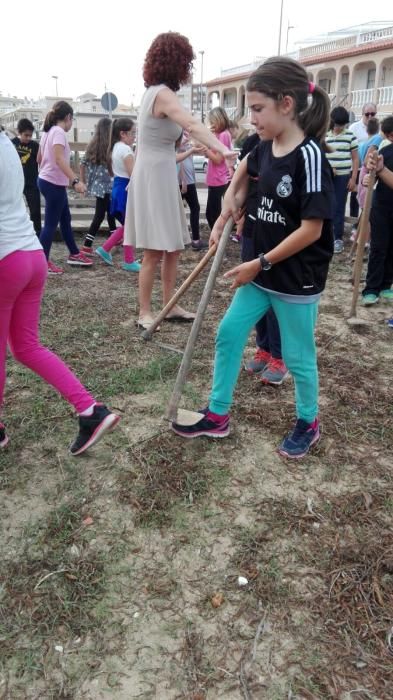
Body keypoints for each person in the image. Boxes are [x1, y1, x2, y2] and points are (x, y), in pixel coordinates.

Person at [171, 55, 334, 459]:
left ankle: (308, 422)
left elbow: (311, 229)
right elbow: (240, 180)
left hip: (295, 277)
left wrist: (259, 263)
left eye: (258, 108)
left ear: (287, 104)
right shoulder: (263, 147)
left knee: (297, 355)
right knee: (228, 334)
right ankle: (218, 414)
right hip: (260, 273)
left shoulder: (310, 158)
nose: (252, 117)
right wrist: (230, 205)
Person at [0, 127, 119, 454]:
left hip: (6, 261)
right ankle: (90, 410)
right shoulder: (7, 144)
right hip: (31, 255)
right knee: (25, 346)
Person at [123, 32, 236, 331]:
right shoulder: (161, 93)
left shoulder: (155, 92)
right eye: (186, 62)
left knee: (172, 247)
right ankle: (145, 311)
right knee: (153, 250)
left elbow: (180, 133)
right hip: (154, 176)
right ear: (177, 63)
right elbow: (191, 124)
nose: (188, 70)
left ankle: (170, 305)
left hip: (160, 173)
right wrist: (223, 149)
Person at [38, 101, 92, 274]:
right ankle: (41, 263)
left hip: (47, 180)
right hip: (53, 183)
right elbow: (60, 159)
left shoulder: (47, 132)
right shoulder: (59, 132)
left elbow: (39, 158)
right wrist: (76, 181)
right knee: (50, 225)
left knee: (65, 219)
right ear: (68, 117)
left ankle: (74, 253)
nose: (71, 124)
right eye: (72, 120)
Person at [95, 118, 140, 272]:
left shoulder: (116, 147)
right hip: (125, 189)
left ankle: (107, 249)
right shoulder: (126, 150)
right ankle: (126, 259)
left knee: (127, 226)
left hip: (118, 188)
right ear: (123, 134)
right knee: (129, 226)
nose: (135, 136)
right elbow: (134, 174)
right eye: (133, 133)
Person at [361, 122, 393, 306]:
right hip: (381, 207)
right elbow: (371, 174)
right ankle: (371, 288)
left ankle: (386, 284)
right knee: (379, 248)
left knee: (391, 249)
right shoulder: (386, 153)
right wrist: (368, 177)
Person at [80, 117, 117, 255]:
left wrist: (84, 181)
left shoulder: (92, 145)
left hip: (97, 186)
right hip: (108, 185)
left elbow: (82, 164)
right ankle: (87, 245)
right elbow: (112, 167)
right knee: (100, 215)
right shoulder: (110, 146)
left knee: (110, 213)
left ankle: (114, 240)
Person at [325, 106, 359, 253]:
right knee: (325, 205)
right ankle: (325, 235)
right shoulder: (325, 135)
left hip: (343, 177)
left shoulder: (350, 136)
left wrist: (353, 178)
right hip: (327, 176)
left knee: (338, 206)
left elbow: (356, 158)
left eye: (342, 124)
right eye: (338, 124)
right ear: (332, 122)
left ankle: (337, 238)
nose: (339, 127)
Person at [176, 131, 207, 251]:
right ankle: (194, 240)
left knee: (193, 208)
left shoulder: (186, 134)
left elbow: (195, 149)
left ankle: (193, 239)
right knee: (194, 208)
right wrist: (183, 179)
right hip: (183, 181)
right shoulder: (177, 135)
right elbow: (178, 155)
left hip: (188, 179)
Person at [12, 118, 41, 235]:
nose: (29, 138)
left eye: (31, 135)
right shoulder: (12, 143)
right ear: (19, 132)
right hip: (15, 184)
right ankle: (15, 233)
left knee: (35, 211)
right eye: (26, 135)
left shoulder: (35, 146)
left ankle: (37, 234)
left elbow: (42, 162)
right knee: (14, 210)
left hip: (31, 183)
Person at [348, 103, 377, 219]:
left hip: (370, 167)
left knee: (367, 195)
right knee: (355, 194)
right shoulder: (354, 127)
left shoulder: (376, 127)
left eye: (373, 114)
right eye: (367, 114)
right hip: (355, 166)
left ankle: (363, 220)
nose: (370, 116)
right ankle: (353, 218)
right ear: (362, 114)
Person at [205, 107, 233, 229]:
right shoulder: (218, 134)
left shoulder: (224, 135)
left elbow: (218, 159)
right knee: (210, 214)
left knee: (213, 216)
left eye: (212, 122)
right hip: (214, 180)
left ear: (219, 120)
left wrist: (205, 150)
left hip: (218, 180)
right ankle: (216, 243)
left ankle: (216, 244)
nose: (211, 124)